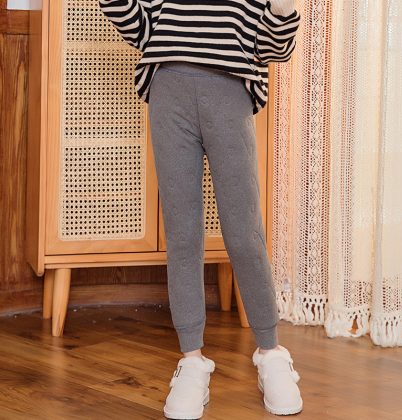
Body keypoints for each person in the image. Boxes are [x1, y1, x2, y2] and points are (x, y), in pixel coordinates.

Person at [99, 1, 303, 418]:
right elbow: (140, 28)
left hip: (230, 92)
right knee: (182, 233)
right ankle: (191, 360)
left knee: (244, 232)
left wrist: (283, 10)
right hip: (168, 91)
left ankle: (271, 352)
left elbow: (271, 48)